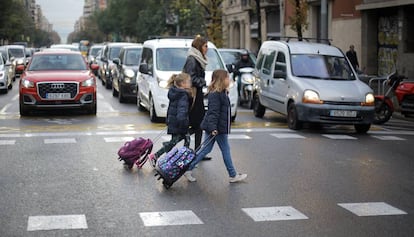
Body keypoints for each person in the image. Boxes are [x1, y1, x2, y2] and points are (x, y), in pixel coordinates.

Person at [183, 69, 248, 183]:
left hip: (216, 127)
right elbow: (213, 113)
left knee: (205, 150)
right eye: (227, 78)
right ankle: (232, 175)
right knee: (225, 150)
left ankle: (188, 168)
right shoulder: (216, 95)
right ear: (221, 80)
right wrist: (213, 128)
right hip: (217, 128)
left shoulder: (220, 93)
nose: (229, 80)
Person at [148, 73, 192, 164]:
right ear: (183, 83)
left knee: (184, 139)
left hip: (173, 121)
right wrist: (183, 123)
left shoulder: (175, 92)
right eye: (189, 82)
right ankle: (158, 156)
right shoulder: (183, 95)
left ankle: (183, 159)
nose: (190, 83)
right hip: (179, 123)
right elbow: (182, 111)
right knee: (176, 141)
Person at [182, 36, 212, 161]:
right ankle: (187, 149)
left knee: (199, 124)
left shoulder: (198, 59)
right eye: (205, 46)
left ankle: (197, 152)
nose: (207, 49)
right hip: (192, 96)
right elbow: (190, 78)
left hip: (197, 94)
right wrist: (203, 82)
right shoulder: (192, 59)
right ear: (199, 46)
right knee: (196, 124)